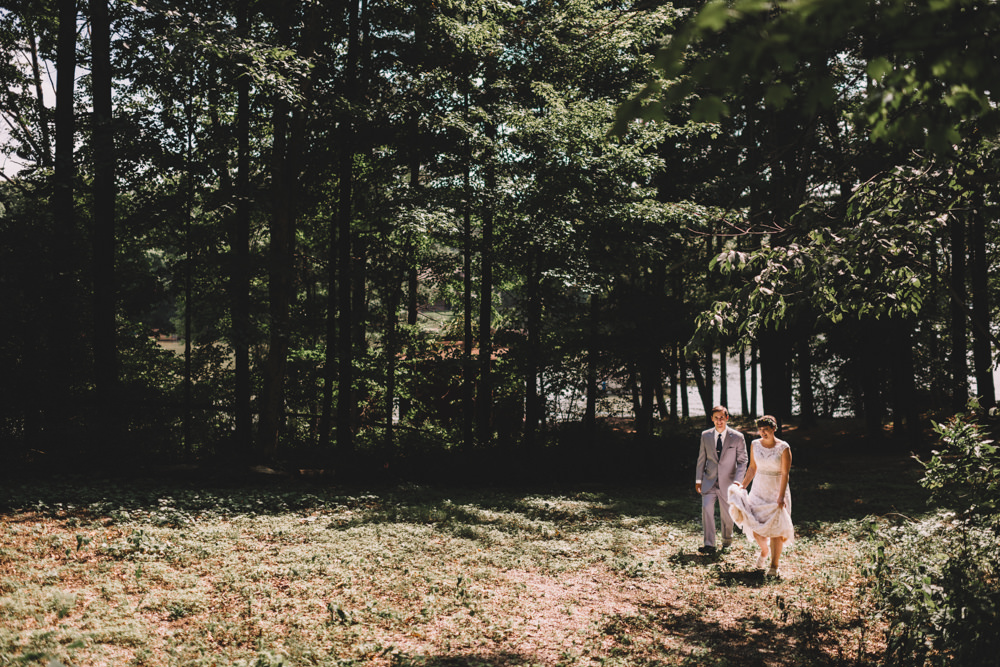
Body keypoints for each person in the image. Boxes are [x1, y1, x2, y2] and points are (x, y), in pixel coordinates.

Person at [728, 415, 794, 577]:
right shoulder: (755, 444)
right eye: (760, 429)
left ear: (774, 429)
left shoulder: (783, 447)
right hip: (758, 489)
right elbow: (752, 468)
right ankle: (765, 551)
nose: (763, 432)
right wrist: (743, 486)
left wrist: (781, 497)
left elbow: (785, 473)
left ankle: (774, 566)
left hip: (776, 489)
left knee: (776, 529)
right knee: (755, 525)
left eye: (766, 429)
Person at [695, 405, 748, 554]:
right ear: (712, 419)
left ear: (727, 418)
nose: (719, 421)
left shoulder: (737, 437)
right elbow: (701, 458)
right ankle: (709, 544)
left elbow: (743, 461)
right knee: (706, 508)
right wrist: (698, 480)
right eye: (716, 418)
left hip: (729, 482)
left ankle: (727, 540)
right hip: (709, 481)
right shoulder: (705, 435)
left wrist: (738, 481)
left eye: (722, 418)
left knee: (727, 513)